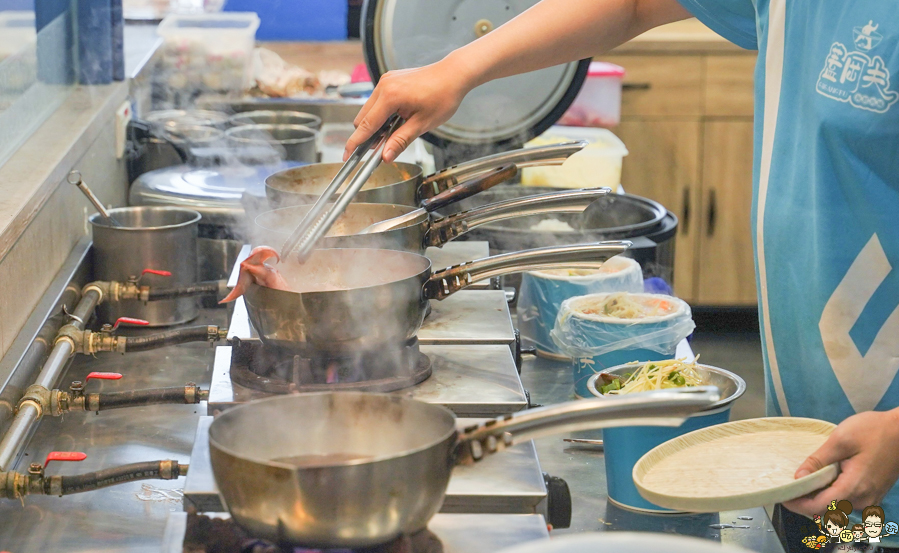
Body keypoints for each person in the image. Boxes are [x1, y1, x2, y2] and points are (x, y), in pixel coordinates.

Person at [345, 0, 899, 539]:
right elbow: (633, 3)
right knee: (832, 538)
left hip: (885, 460)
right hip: (811, 443)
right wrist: (457, 70)